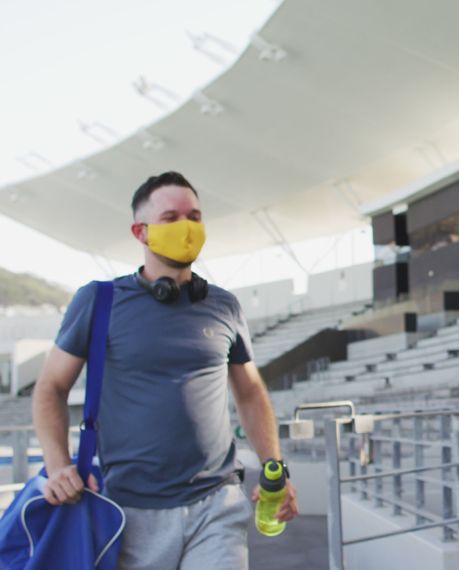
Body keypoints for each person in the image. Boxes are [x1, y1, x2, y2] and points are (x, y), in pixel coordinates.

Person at [32, 171, 299, 569]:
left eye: (194, 216)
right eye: (171, 218)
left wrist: (274, 467)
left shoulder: (225, 306)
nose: (187, 227)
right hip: (129, 513)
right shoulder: (98, 301)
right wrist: (58, 466)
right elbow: (50, 387)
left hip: (217, 503)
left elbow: (249, 391)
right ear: (141, 232)